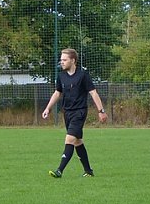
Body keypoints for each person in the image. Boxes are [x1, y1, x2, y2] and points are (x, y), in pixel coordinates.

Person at [42, 48, 108, 178]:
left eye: (64, 60)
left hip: (79, 112)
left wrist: (101, 111)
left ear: (73, 60)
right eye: (61, 60)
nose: (62, 62)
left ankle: (59, 170)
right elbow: (57, 93)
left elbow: (93, 92)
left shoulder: (83, 75)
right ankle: (88, 171)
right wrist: (48, 108)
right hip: (67, 113)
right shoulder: (61, 76)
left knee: (69, 139)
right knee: (77, 142)